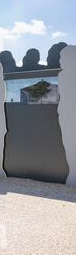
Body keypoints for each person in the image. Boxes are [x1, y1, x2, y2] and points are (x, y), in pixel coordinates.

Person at [57, 45, 76, 187]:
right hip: (65, 114)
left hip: (68, 113)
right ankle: (73, 173)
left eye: (62, 58)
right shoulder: (62, 75)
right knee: (69, 145)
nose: (60, 61)